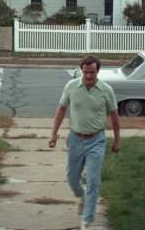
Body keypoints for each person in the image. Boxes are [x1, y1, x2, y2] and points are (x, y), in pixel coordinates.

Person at [48, 56, 120, 230]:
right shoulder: (71, 87)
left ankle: (87, 220)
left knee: (93, 180)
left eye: (92, 72)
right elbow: (62, 109)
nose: (89, 76)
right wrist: (53, 133)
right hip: (75, 139)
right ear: (82, 70)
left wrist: (117, 139)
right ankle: (82, 197)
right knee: (72, 178)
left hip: (97, 140)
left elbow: (114, 115)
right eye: (86, 72)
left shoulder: (106, 90)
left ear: (98, 71)